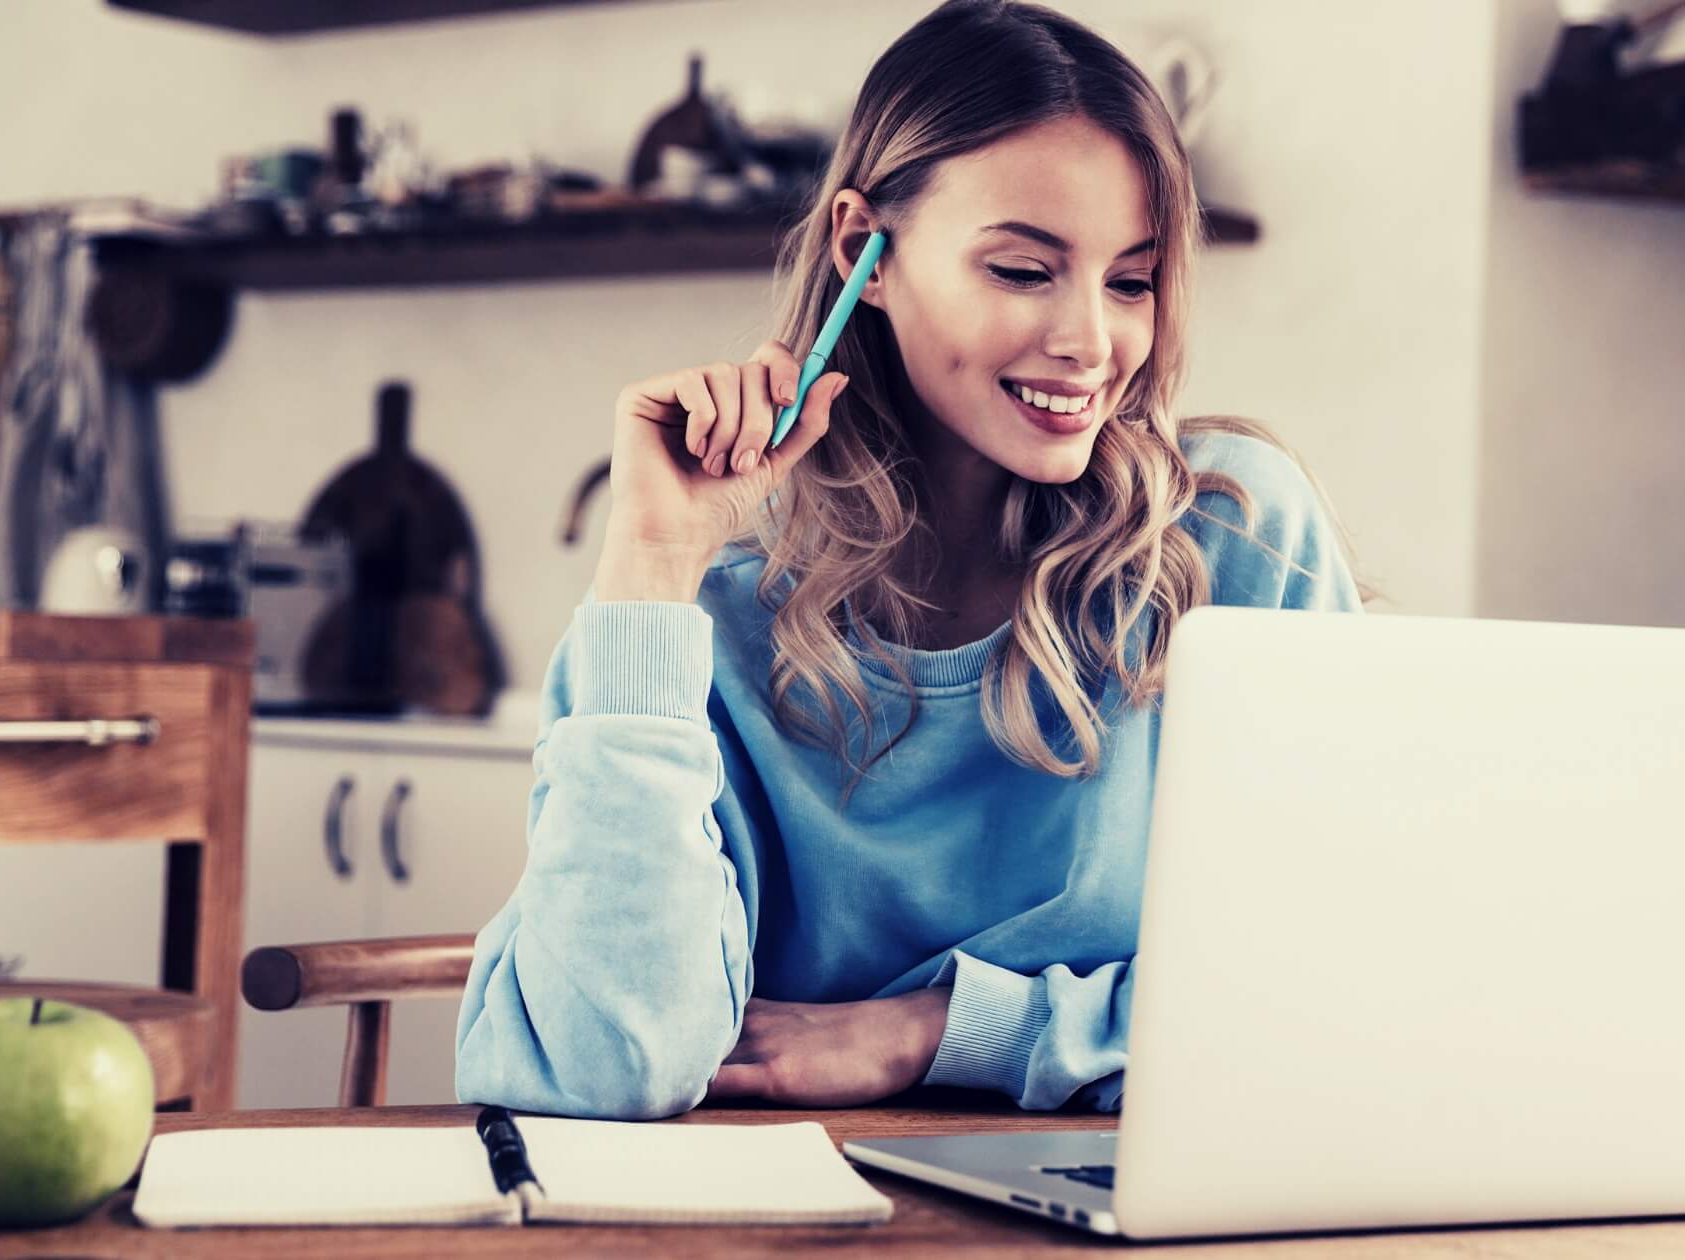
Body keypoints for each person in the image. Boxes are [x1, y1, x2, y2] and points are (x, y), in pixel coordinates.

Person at [455, 0, 1372, 1121]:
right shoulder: (706, 618)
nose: (1092, 341)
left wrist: (932, 1031)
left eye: (1129, 281)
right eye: (1025, 270)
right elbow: (604, 1065)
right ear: (864, 253)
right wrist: (651, 565)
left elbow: (1333, 996)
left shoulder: (1226, 538)